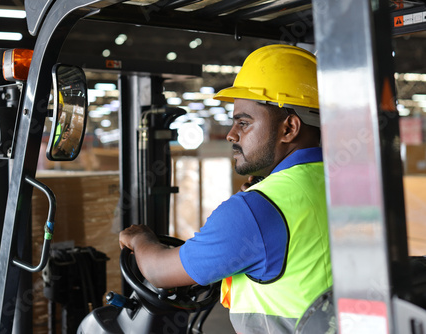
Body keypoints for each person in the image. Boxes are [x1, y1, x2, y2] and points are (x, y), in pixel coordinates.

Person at [119, 44, 332, 334]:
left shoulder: (256, 210)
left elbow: (158, 272)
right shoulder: (346, 184)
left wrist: (141, 239)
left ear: (289, 128)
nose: (231, 134)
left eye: (244, 123)